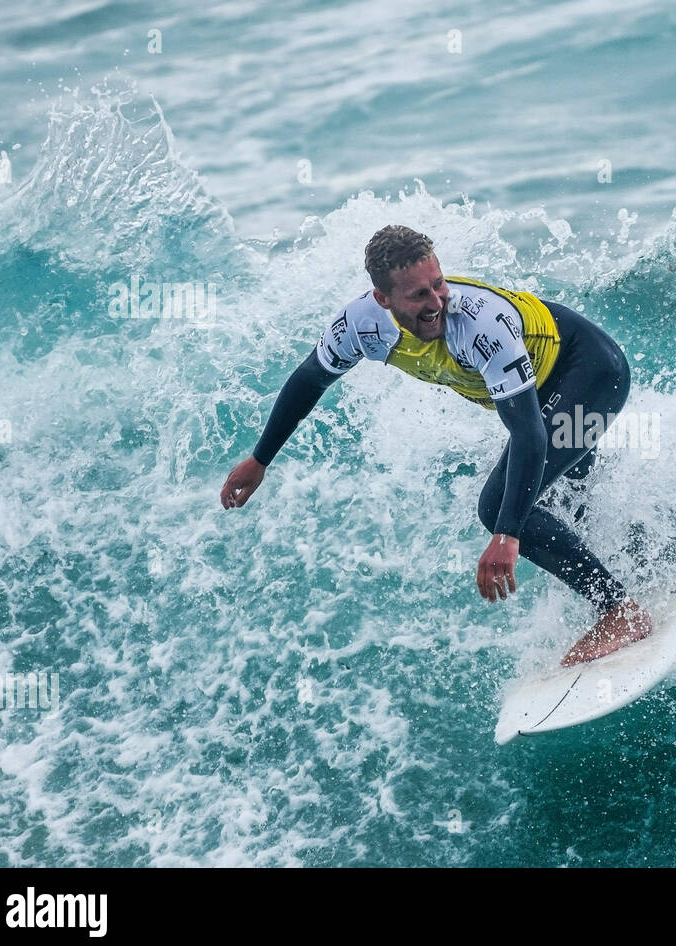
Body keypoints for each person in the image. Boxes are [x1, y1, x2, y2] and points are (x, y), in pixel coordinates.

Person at [219, 225, 651, 665]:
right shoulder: (360, 327)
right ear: (383, 299)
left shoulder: (480, 324)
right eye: (418, 295)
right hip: (543, 386)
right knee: (559, 491)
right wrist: (260, 459)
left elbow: (528, 434)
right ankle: (644, 549)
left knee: (500, 505)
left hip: (591, 372)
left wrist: (505, 536)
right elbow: (310, 379)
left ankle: (619, 610)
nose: (436, 302)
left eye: (438, 284)